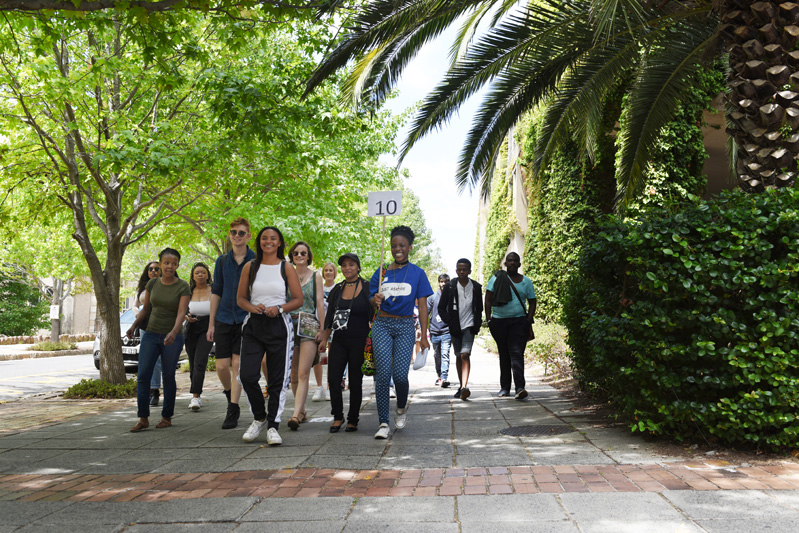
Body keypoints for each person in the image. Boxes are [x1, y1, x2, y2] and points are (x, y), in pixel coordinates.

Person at [236, 226, 303, 444]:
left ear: (280, 242)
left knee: (277, 380)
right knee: (246, 376)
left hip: (278, 326)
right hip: (254, 325)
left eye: (273, 238)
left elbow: (298, 299)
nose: (268, 242)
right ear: (259, 242)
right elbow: (241, 299)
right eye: (264, 238)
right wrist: (252, 307)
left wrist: (280, 308)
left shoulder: (287, 267)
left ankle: (273, 426)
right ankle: (259, 417)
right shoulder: (250, 266)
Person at [369, 225, 433, 439]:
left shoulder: (418, 273)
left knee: (400, 376)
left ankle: (402, 406)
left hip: (406, 326)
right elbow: (371, 299)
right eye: (394, 245)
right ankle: (383, 423)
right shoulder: (381, 272)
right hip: (382, 325)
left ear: (410, 248)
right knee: (382, 375)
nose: (398, 249)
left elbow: (423, 307)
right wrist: (375, 299)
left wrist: (423, 336)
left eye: (402, 245)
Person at [127, 248, 191, 432]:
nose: (170, 266)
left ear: (177, 265)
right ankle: (143, 417)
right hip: (151, 334)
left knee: (168, 375)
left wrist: (174, 331)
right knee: (143, 376)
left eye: (174, 263)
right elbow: (145, 309)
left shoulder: (183, 286)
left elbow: (181, 312)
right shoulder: (153, 284)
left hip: (173, 336)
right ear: (161, 263)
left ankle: (166, 416)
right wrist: (134, 326)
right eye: (166, 263)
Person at [207, 218, 255, 429]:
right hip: (224, 318)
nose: (237, 236)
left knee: (237, 364)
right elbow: (216, 292)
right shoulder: (222, 261)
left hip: (246, 319)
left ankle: (233, 409)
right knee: (221, 366)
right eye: (234, 232)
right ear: (229, 235)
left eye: (241, 233)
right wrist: (211, 324)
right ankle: (229, 395)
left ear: (248, 236)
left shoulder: (256, 259)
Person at [319, 253, 371, 432]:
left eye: (351, 264)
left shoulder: (367, 287)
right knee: (333, 379)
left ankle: (353, 418)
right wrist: (324, 339)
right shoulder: (337, 289)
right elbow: (329, 316)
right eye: (344, 265)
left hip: (359, 340)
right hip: (339, 340)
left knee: (355, 381)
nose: (347, 268)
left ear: (358, 267)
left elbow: (374, 315)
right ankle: (337, 416)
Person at [484, 252, 536, 400]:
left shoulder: (526, 282)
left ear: (519, 264)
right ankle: (504, 388)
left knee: (517, 354)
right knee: (504, 354)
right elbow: (487, 299)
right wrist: (489, 320)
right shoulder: (496, 278)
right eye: (509, 260)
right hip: (499, 322)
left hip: (519, 322)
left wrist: (528, 320)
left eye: (515, 261)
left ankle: (520, 387)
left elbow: (532, 301)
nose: (512, 263)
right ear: (505, 264)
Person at [286, 241, 326, 430]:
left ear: (308, 256)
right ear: (291, 255)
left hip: (308, 324)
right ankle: (300, 410)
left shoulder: (316, 276)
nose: (299, 255)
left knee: (303, 372)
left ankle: (295, 415)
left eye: (303, 253)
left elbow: (319, 303)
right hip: (288, 325)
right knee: (293, 374)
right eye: (296, 253)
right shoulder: (285, 274)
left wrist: (323, 330)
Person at [438, 259, 483, 401]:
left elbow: (479, 308)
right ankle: (461, 387)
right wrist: (449, 321)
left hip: (469, 326)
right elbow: (441, 307)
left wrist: (477, 323)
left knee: (465, 354)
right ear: (456, 271)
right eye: (459, 269)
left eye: (464, 269)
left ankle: (464, 387)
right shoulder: (450, 286)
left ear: (470, 270)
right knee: (458, 355)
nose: (462, 272)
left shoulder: (476, 287)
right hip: (455, 326)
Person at [184, 262, 213, 411]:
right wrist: (186, 316)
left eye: (203, 272)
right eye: (197, 273)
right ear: (193, 276)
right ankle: (196, 394)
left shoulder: (213, 290)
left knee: (200, 361)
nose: (200, 275)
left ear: (207, 274)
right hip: (191, 328)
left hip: (207, 327)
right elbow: (181, 309)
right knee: (192, 361)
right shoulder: (188, 291)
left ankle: (195, 396)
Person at [134, 261, 163, 407]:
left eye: (157, 269)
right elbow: (135, 306)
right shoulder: (142, 288)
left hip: (160, 326)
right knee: (145, 359)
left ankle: (155, 389)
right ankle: (148, 391)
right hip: (145, 326)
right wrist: (137, 316)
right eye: (150, 269)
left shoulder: (165, 285)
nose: (153, 271)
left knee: (157, 360)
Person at [428, 273, 452, 387]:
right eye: (441, 281)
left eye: (445, 282)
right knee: (437, 355)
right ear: (439, 283)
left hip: (447, 331)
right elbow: (425, 313)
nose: (443, 284)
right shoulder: (432, 298)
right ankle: (439, 376)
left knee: (445, 354)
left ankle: (444, 377)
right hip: (434, 332)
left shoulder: (452, 297)